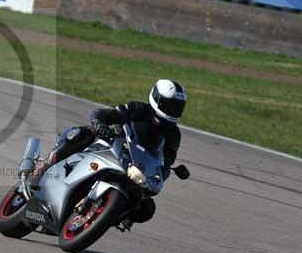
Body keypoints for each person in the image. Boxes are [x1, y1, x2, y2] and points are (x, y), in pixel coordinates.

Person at [27, 80, 187, 227]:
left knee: (147, 207)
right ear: (157, 98)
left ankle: (113, 215)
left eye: (177, 107)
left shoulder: (173, 134)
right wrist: (100, 124)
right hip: (113, 145)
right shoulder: (138, 109)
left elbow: (166, 162)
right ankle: (42, 167)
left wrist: (161, 174)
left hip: (136, 169)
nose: (173, 110)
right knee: (79, 134)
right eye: (169, 105)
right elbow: (103, 114)